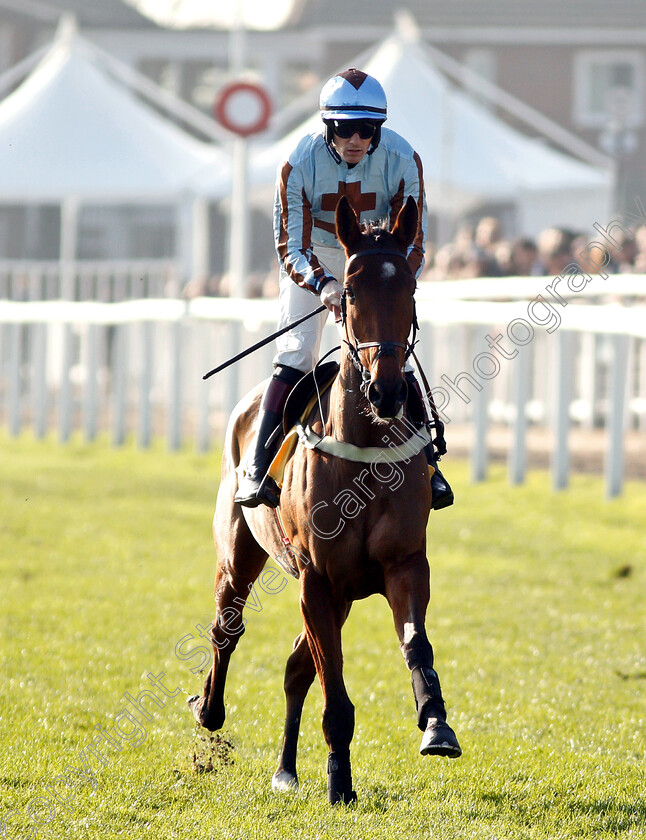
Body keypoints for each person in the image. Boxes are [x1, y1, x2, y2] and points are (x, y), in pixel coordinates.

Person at [235, 68, 453, 510]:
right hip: (315, 253)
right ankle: (258, 466)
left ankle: (429, 467)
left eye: (366, 129)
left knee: (390, 351)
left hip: (376, 256)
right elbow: (289, 245)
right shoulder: (297, 161)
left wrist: (388, 284)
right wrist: (326, 285)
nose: (356, 139)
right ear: (327, 127)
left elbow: (415, 240)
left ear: (379, 129)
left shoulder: (404, 158)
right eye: (344, 128)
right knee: (297, 352)